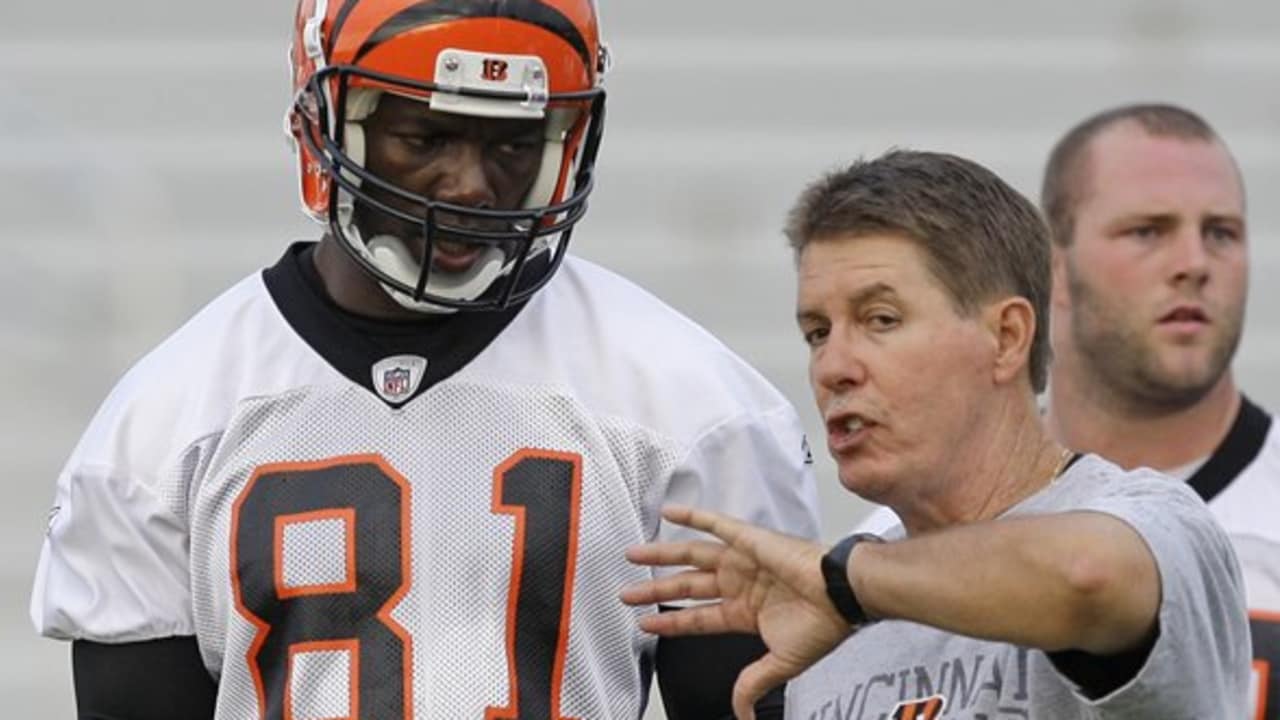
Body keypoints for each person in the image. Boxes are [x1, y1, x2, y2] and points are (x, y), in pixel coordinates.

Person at [29, 2, 821, 718]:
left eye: (513, 143)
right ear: (327, 125)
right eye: (425, 137)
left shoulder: (691, 405)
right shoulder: (165, 423)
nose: (471, 185)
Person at [619, 150, 1250, 720]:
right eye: (817, 331)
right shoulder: (823, 634)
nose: (834, 367)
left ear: (1006, 339)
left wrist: (849, 584)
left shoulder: (1155, 523)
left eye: (881, 319)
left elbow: (1087, 576)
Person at [1041, 102, 1280, 719]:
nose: (1194, 264)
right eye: (1148, 231)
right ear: (1053, 268)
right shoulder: (907, 543)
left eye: (1221, 233)